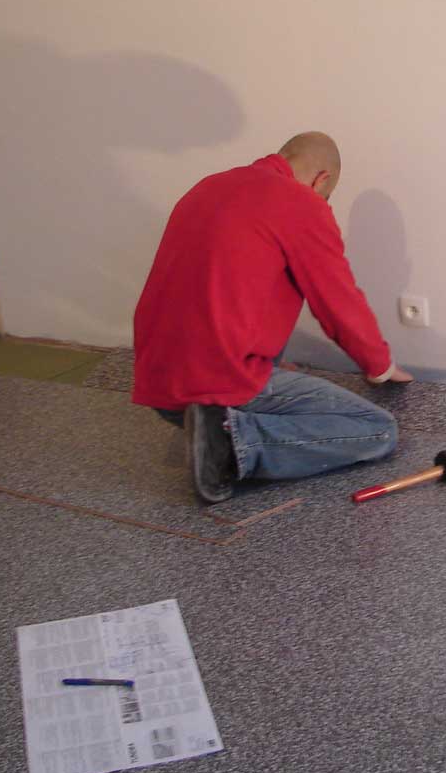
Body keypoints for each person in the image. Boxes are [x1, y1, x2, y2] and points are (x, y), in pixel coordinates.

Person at [132, 132, 413, 503]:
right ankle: (233, 447)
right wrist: (380, 366)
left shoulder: (208, 187)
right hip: (217, 381)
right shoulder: (300, 203)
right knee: (377, 429)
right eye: (326, 198)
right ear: (322, 179)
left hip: (158, 383)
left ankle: (218, 422)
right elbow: (338, 301)